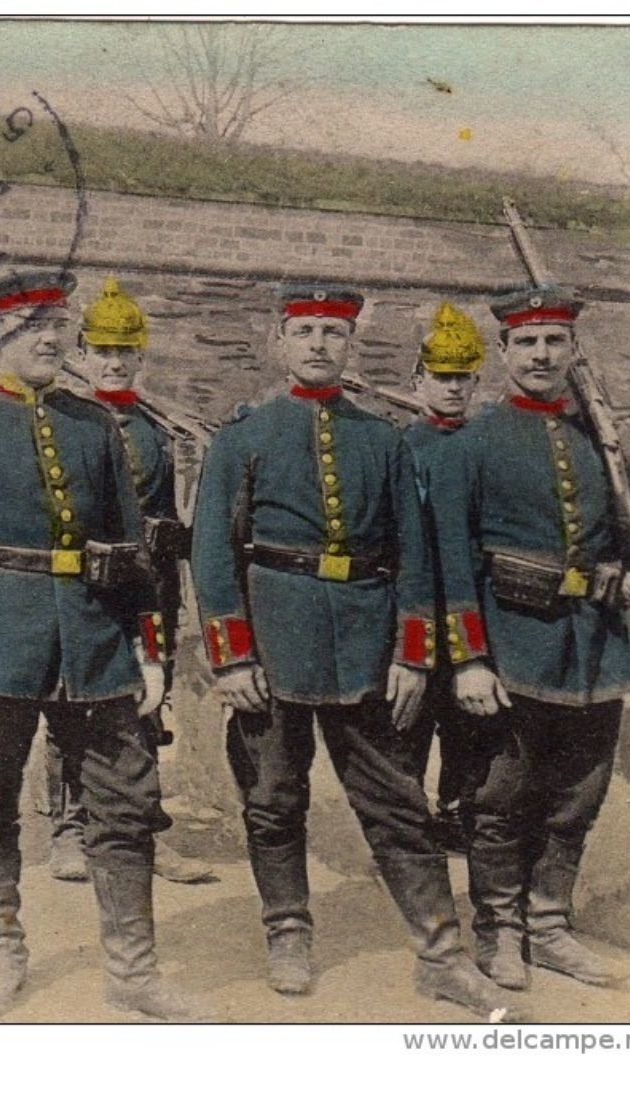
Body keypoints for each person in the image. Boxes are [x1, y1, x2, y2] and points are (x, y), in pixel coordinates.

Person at [190, 283, 520, 1021]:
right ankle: (287, 931)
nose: (316, 345)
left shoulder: (382, 440)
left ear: (350, 346)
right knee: (273, 799)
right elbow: (211, 555)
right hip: (272, 646)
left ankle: (441, 956)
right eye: (303, 331)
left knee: (396, 805)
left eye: (331, 335)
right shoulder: (244, 437)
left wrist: (411, 655)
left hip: (368, 651)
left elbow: (414, 555)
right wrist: (231, 658)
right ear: (278, 341)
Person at [0, 271, 190, 1017]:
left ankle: (132, 970)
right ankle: (1, 951)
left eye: (59, 325)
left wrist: (147, 647)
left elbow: (130, 549)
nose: (51, 339)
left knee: (124, 803)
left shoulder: (93, 425)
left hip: (95, 640)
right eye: (33, 326)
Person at [429, 284, 630, 991]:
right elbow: (450, 560)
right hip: (512, 648)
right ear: (503, 352)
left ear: (572, 351)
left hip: (594, 646)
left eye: (554, 342)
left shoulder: (597, 439)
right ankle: (499, 932)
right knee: (500, 796)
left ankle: (548, 925)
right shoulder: (472, 444)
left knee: (577, 795)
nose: (542, 355)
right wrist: (469, 659)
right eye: (527, 343)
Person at [45, 277, 216, 887]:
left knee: (146, 703)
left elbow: (169, 513)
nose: (115, 362)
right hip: (83, 588)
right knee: (71, 706)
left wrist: (171, 539)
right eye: (103, 350)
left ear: (141, 357)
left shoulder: (156, 430)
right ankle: (69, 830)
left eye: (127, 352)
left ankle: (143, 828)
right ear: (82, 355)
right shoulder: (60, 420)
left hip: (147, 589)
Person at [400, 302, 487, 854]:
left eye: (463, 378)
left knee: (471, 726)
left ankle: (459, 810)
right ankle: (407, 825)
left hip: (474, 604)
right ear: (418, 378)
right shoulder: (401, 447)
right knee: (407, 724)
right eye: (441, 376)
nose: (453, 388)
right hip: (414, 603)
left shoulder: (484, 445)